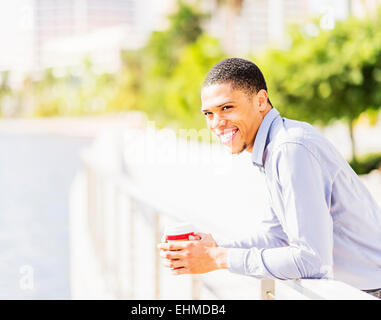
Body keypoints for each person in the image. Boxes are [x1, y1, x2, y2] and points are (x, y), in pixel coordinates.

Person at [158, 57, 381, 298]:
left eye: (226, 108)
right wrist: (211, 248)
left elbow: (311, 260)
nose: (216, 123)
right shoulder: (275, 146)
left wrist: (217, 258)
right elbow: (277, 237)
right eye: (208, 113)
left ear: (261, 100)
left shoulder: (289, 148)